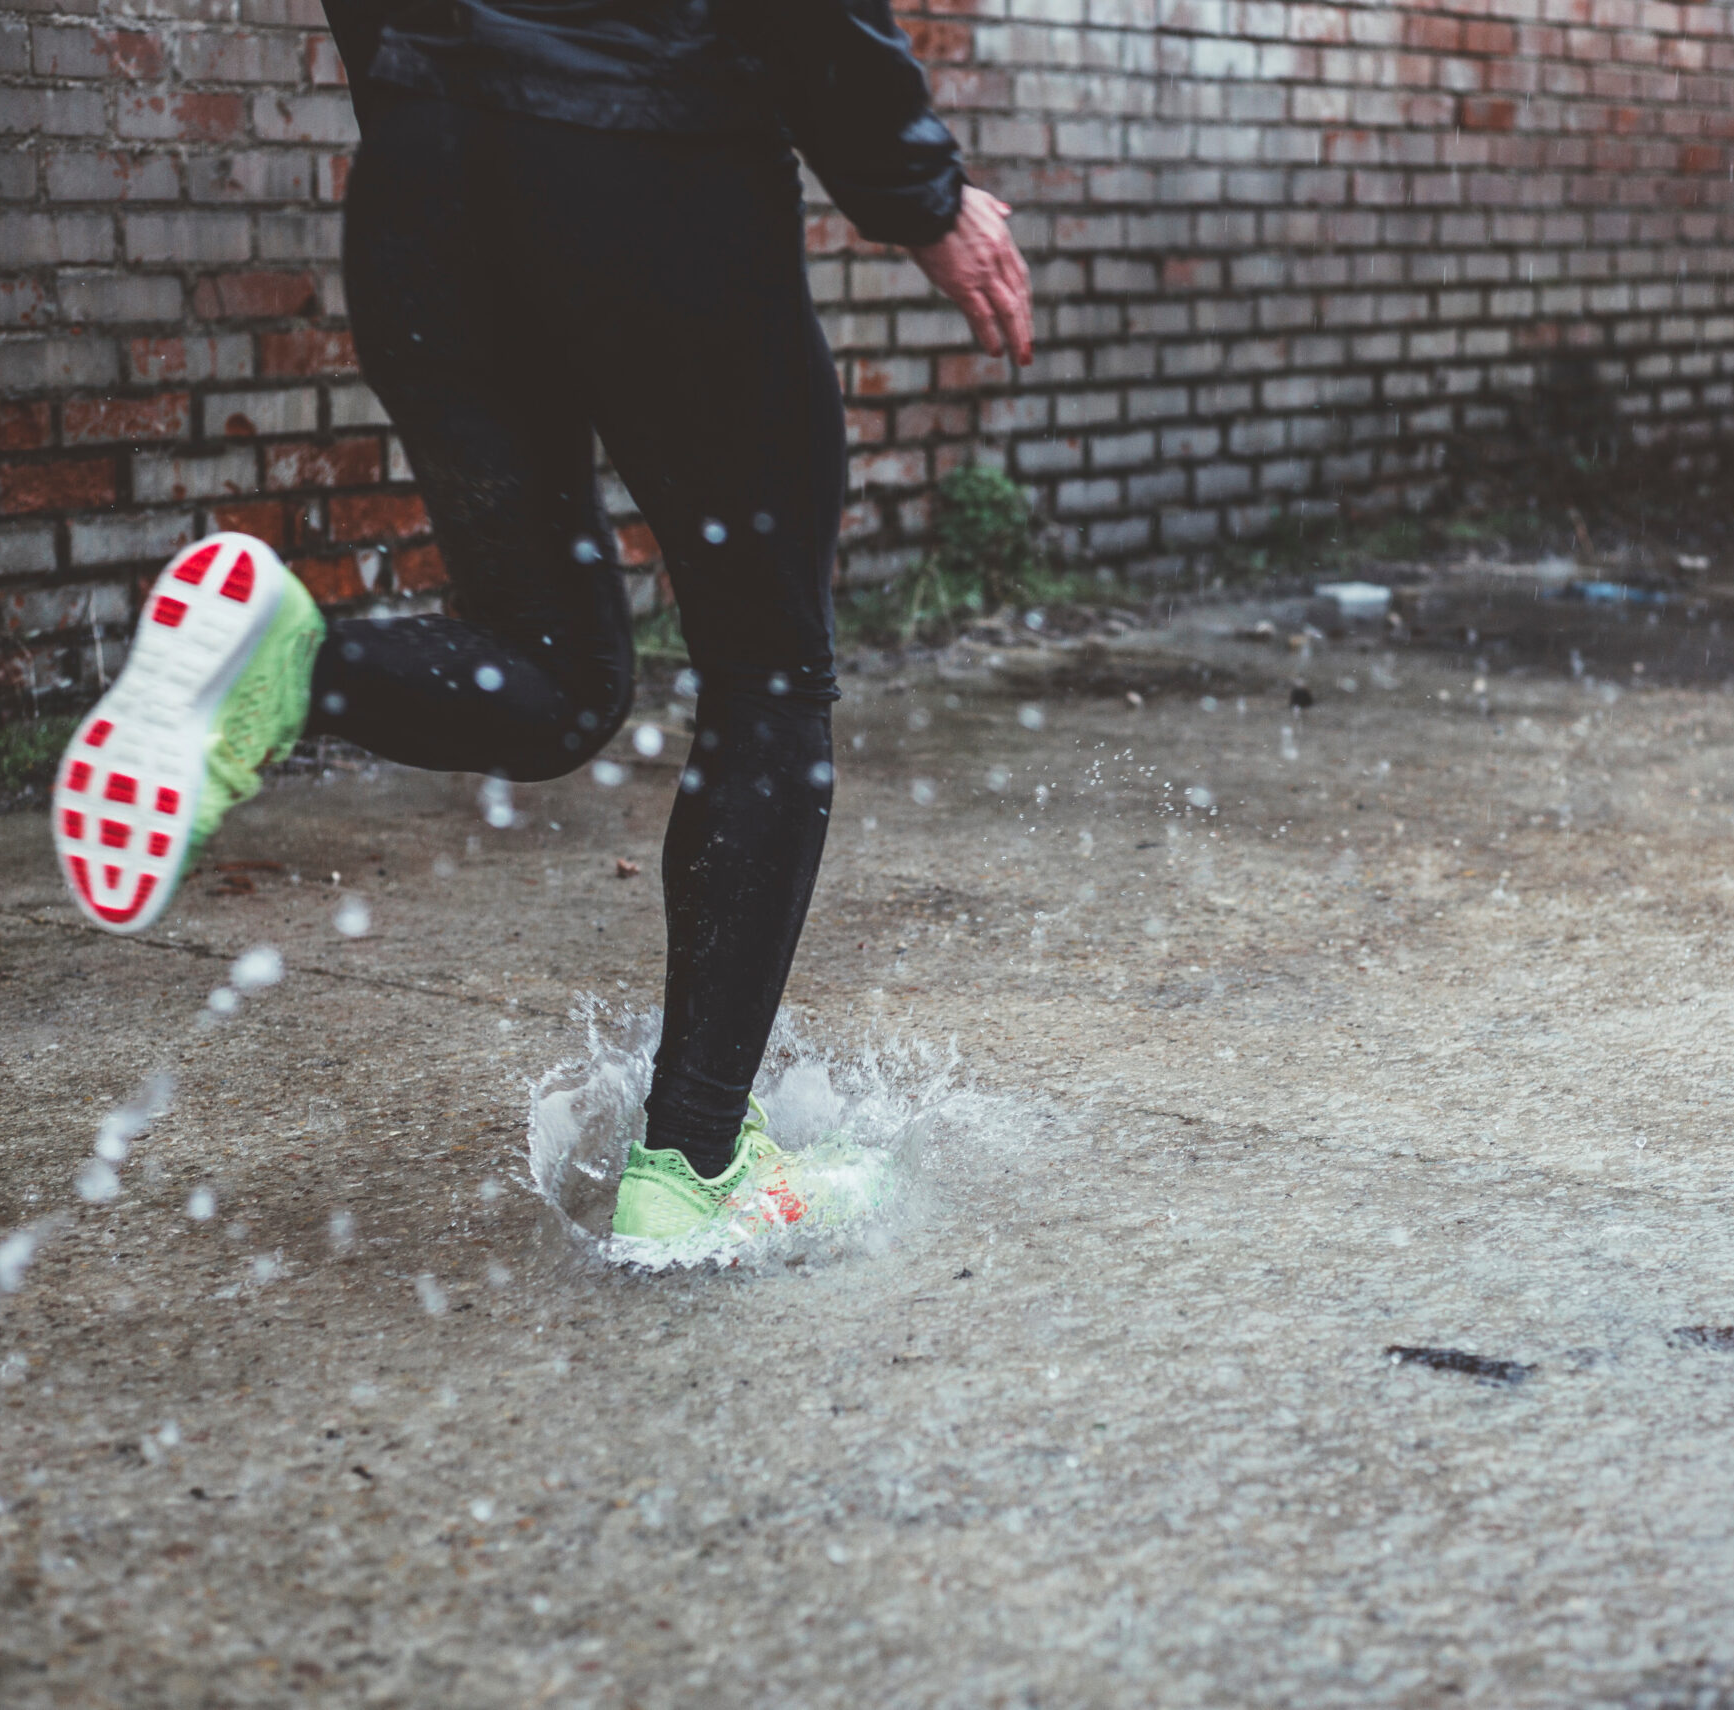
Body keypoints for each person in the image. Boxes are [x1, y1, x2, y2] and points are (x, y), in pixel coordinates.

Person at [50, 0, 1031, 1252]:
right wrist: (924, 193)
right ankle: (692, 1167)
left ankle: (289, 667)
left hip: (427, 182)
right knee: (769, 674)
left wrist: (441, 111)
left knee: (556, 672)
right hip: (654, 169)